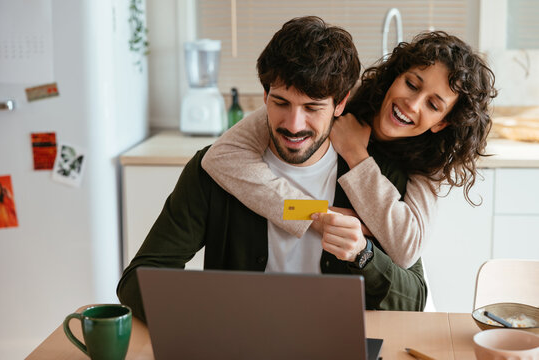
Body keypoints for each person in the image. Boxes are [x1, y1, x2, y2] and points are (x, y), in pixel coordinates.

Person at [117, 16, 428, 322]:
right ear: (264, 95)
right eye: (280, 102)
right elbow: (137, 282)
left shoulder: (379, 173)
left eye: (312, 108)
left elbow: (414, 301)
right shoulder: (214, 171)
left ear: (340, 104)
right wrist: (214, 319)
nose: (293, 125)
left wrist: (364, 255)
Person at [201, 30, 497, 269]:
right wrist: (318, 214)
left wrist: (357, 155)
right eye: (411, 84)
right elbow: (221, 156)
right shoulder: (333, 103)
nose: (412, 103)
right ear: (395, 76)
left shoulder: (430, 161)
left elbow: (406, 249)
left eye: (433, 104)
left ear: (442, 123)